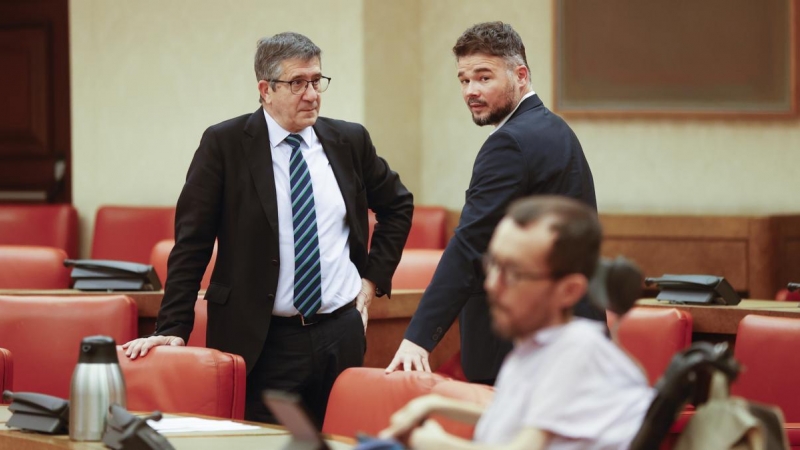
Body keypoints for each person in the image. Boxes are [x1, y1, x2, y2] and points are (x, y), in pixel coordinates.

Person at [122, 32, 413, 425]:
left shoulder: (348, 140)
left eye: (317, 80)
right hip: (261, 341)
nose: (312, 94)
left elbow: (398, 205)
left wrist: (371, 281)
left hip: (339, 334)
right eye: (298, 83)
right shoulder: (224, 144)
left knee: (337, 438)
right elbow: (192, 242)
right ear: (266, 89)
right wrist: (173, 327)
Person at [386, 21, 601, 384]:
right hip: (568, 336)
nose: (471, 90)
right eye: (464, 80)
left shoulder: (510, 144)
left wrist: (418, 339)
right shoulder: (555, 129)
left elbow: (471, 244)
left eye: (484, 78)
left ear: (520, 75)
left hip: (526, 346)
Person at [380, 196, 654, 450]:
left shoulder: (578, 352)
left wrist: (434, 444)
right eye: (493, 265)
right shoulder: (535, 344)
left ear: (569, 290)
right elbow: (518, 413)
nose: (491, 285)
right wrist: (434, 404)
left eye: (513, 273)